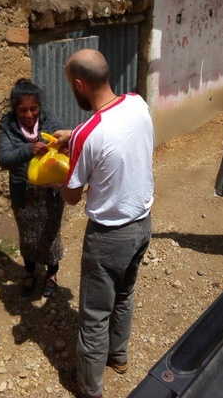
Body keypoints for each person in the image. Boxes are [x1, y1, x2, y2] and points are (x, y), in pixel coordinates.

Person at [52, 49, 155, 398]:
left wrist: (54, 174)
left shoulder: (87, 134)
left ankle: (90, 390)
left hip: (108, 237)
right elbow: (109, 133)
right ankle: (119, 357)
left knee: (94, 316)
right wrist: (74, 135)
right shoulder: (137, 103)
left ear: (79, 84)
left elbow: (71, 196)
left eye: (71, 86)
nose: (73, 91)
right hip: (142, 225)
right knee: (124, 294)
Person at [0, 78, 65, 298]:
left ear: (39, 107)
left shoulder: (48, 119)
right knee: (27, 236)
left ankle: (51, 274)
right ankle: (30, 273)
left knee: (50, 234)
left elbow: (62, 144)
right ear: (15, 109)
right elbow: (4, 159)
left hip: (50, 191)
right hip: (23, 193)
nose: (29, 115)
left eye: (33, 109)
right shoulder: (7, 125)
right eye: (23, 110)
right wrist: (29, 149)